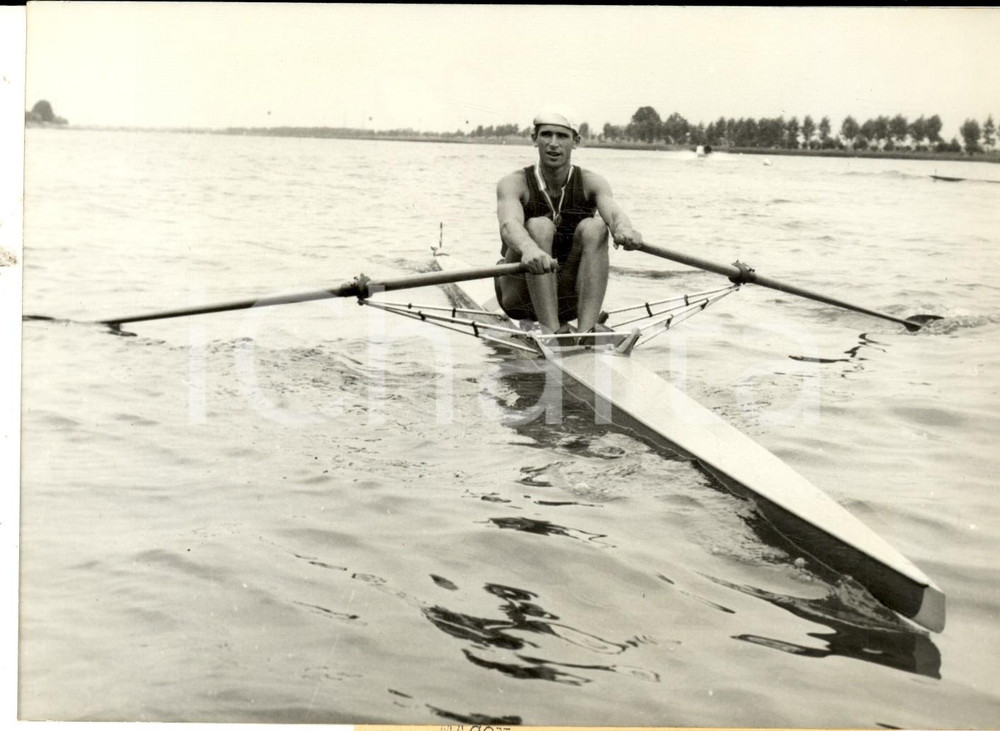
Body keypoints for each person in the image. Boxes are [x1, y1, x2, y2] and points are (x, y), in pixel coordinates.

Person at [495, 109, 643, 339]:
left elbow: (614, 215)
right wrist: (529, 248)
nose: (553, 144)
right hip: (519, 294)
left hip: (567, 298)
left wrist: (624, 230)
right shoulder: (514, 183)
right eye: (546, 135)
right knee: (539, 226)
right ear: (535, 139)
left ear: (576, 142)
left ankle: (586, 332)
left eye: (562, 136)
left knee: (596, 227)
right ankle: (552, 333)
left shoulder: (591, 182)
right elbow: (509, 225)